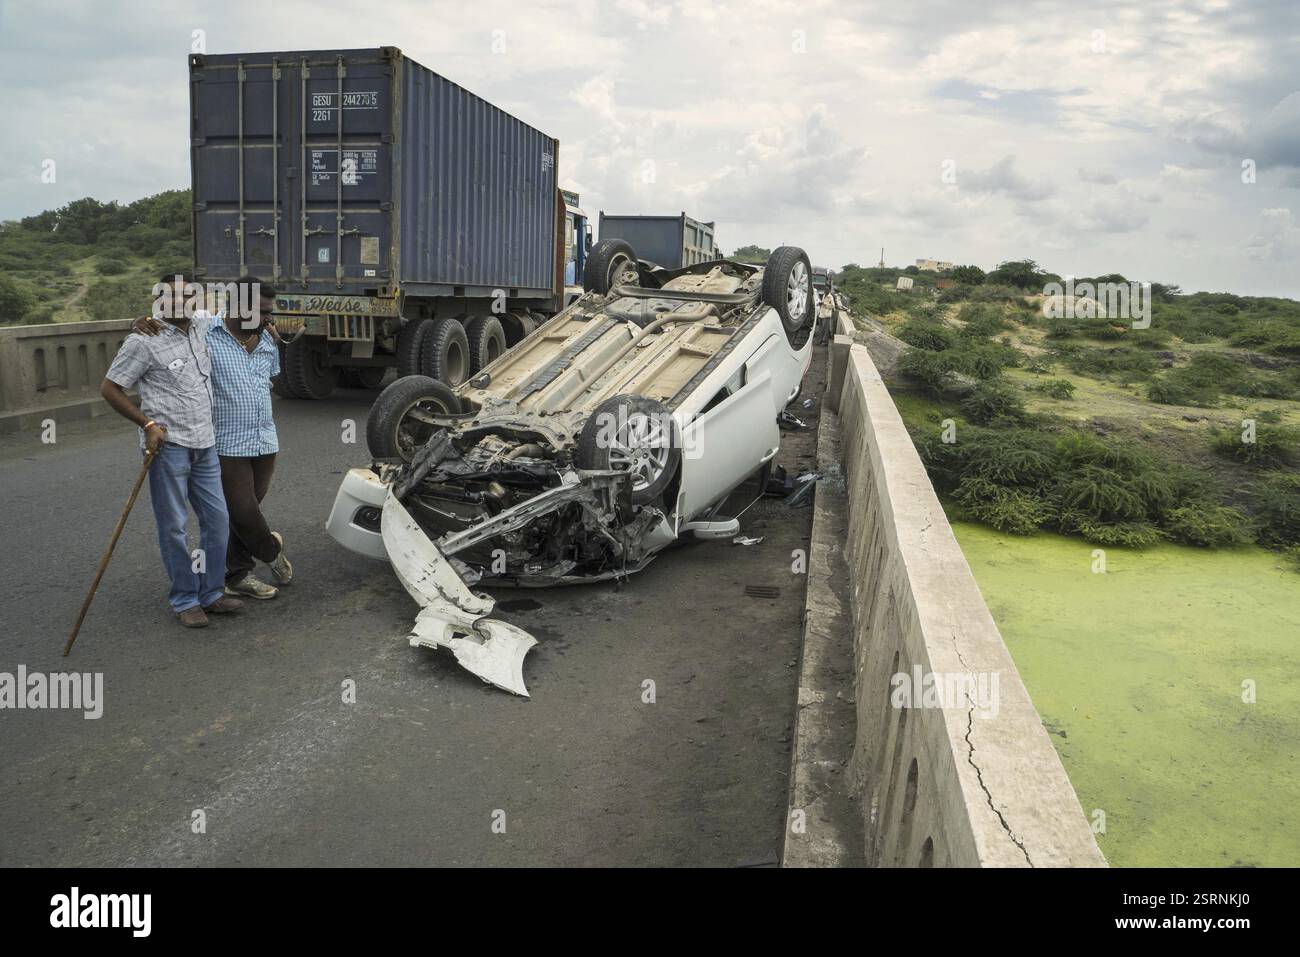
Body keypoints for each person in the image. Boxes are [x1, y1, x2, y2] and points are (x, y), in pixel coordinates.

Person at [133, 277, 293, 600]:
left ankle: (237, 574)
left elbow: (267, 380)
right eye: (261, 312)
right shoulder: (205, 329)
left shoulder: (266, 339)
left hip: (264, 438)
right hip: (225, 440)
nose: (268, 319)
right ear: (236, 306)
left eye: (269, 312)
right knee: (243, 510)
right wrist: (140, 321)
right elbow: (167, 323)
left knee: (244, 513)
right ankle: (271, 550)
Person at [101, 274, 243, 628]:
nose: (182, 302)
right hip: (169, 447)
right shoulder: (142, 341)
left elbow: (242, 318)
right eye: (173, 296)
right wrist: (147, 424)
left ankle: (212, 592)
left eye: (188, 295)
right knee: (175, 527)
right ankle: (185, 599)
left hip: (205, 443)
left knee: (217, 520)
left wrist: (269, 327)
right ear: (159, 300)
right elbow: (110, 388)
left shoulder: (202, 326)